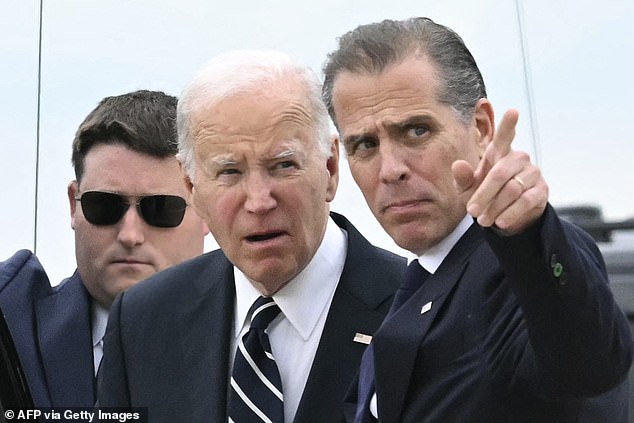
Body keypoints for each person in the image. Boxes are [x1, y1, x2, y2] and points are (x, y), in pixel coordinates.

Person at [321, 17, 633, 423]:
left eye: (416, 131)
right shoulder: (409, 287)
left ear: (482, 127)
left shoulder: (515, 269)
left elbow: (589, 364)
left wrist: (527, 233)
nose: (390, 169)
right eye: (365, 144)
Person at [98, 50, 404, 423]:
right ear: (191, 186)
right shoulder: (143, 321)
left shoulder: (415, 309)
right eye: (229, 172)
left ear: (330, 168)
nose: (259, 201)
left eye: (283, 165)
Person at [0, 90, 208, 410]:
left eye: (160, 209)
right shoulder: (11, 329)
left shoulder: (253, 344)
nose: (130, 234)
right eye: (104, 206)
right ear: (74, 205)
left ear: (207, 207)